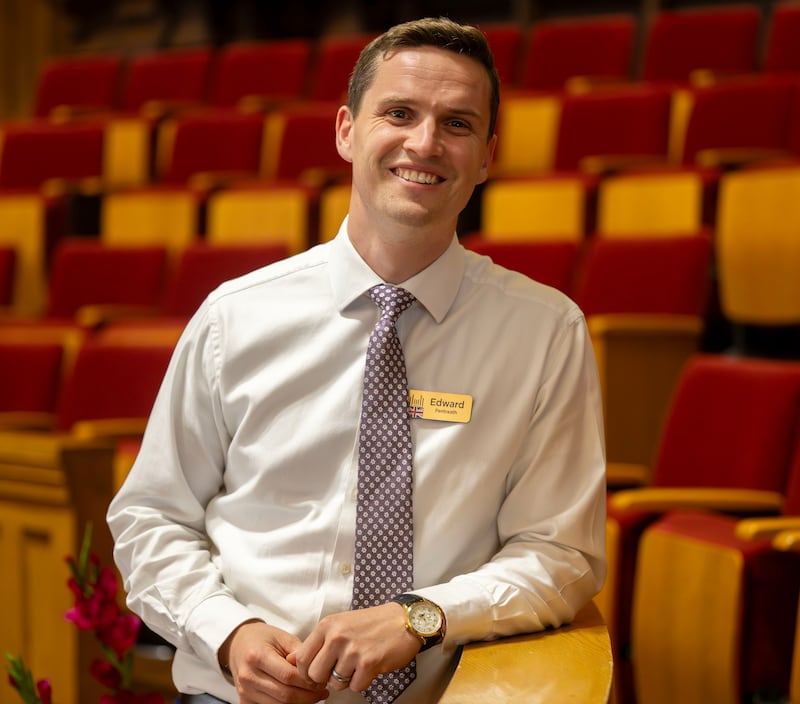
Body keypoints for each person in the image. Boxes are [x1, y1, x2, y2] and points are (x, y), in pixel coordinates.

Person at [107, 16, 607, 704]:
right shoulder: (235, 317)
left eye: (458, 124)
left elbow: (560, 553)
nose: (424, 143)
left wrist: (420, 617)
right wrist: (229, 632)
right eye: (399, 113)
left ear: (487, 155)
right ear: (346, 131)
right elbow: (152, 518)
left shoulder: (545, 333)